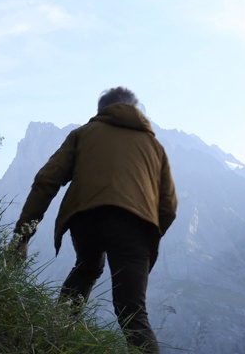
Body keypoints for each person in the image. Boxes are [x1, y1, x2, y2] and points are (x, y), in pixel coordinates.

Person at [14, 86, 178, 353]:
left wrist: (22, 235)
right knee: (132, 312)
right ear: (136, 110)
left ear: (102, 110)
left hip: (86, 218)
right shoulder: (155, 147)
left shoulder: (83, 134)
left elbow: (47, 181)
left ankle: (53, 338)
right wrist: (146, 238)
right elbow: (169, 206)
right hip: (134, 226)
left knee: (88, 267)